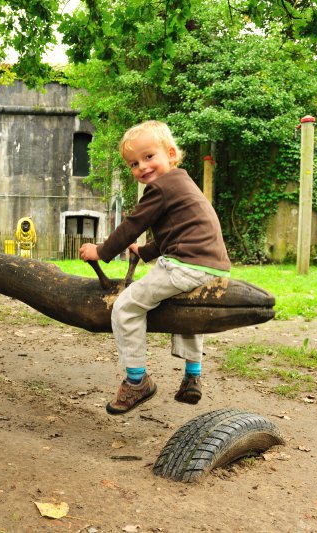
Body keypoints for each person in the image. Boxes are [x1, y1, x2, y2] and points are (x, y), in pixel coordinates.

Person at [79, 121, 231, 414]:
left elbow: (132, 225)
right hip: (213, 266)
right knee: (190, 312)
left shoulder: (160, 188)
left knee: (126, 307)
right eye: (134, 163)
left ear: (171, 154)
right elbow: (173, 234)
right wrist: (145, 251)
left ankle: (137, 381)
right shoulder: (182, 183)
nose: (142, 167)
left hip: (186, 265)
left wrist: (101, 251)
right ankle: (192, 375)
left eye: (149, 157)